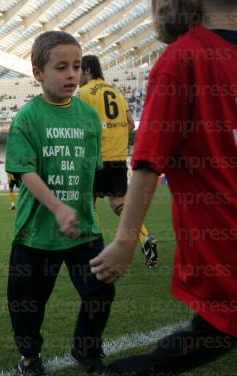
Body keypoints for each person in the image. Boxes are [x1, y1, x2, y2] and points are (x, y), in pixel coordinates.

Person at [90, 1, 237, 376]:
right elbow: (149, 160)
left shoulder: (185, 57)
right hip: (222, 235)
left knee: (220, 328)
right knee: (220, 326)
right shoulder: (184, 59)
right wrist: (124, 240)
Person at [5, 31, 115, 376]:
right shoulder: (28, 117)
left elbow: (91, 172)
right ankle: (29, 357)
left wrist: (87, 212)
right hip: (36, 231)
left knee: (101, 290)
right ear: (38, 73)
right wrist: (56, 207)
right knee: (27, 302)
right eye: (61, 67)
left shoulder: (87, 117)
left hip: (83, 229)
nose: (71, 74)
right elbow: (24, 171)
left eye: (77, 66)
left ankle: (86, 348)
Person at [78, 55, 159, 268]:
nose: (76, 76)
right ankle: (145, 238)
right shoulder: (116, 92)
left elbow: (81, 125)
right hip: (118, 157)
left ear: (87, 71)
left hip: (97, 157)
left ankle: (95, 249)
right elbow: (131, 124)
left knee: (87, 202)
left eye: (79, 70)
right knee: (118, 202)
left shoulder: (84, 93)